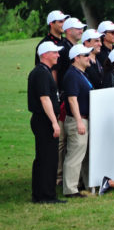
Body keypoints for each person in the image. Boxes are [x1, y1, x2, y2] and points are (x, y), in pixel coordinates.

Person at [28, 41, 66, 204]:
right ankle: (46, 195)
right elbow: (44, 99)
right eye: (55, 52)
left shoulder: (42, 71)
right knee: (47, 158)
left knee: (45, 157)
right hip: (44, 120)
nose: (58, 55)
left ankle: (41, 194)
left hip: (43, 119)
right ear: (45, 55)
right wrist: (54, 122)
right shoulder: (42, 73)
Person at [62, 44, 94, 198]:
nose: (89, 58)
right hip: (78, 120)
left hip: (83, 119)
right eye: (85, 55)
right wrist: (79, 121)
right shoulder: (72, 75)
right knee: (75, 155)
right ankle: (70, 189)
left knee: (85, 154)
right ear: (76, 58)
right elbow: (72, 100)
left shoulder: (81, 73)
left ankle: (87, 184)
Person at [34, 10, 70, 81]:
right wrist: (55, 91)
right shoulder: (44, 44)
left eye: (64, 21)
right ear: (51, 24)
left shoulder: (66, 41)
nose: (64, 24)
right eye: (60, 22)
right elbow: (50, 71)